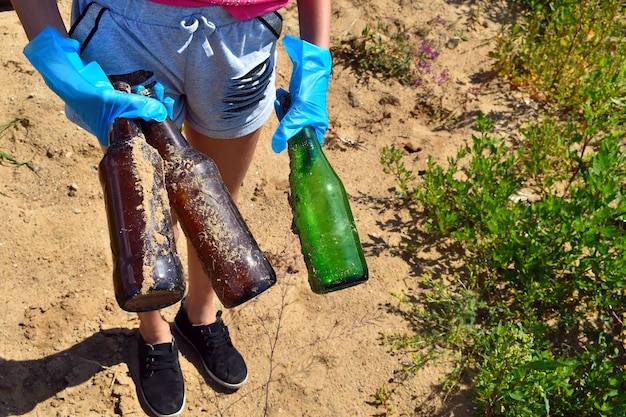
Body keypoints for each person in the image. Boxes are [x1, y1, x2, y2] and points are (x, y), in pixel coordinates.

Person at [9, 0, 332, 416]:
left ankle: (199, 315)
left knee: (216, 201)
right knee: (144, 210)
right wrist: (54, 53)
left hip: (244, 34)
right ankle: (155, 332)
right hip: (124, 29)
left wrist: (316, 53)